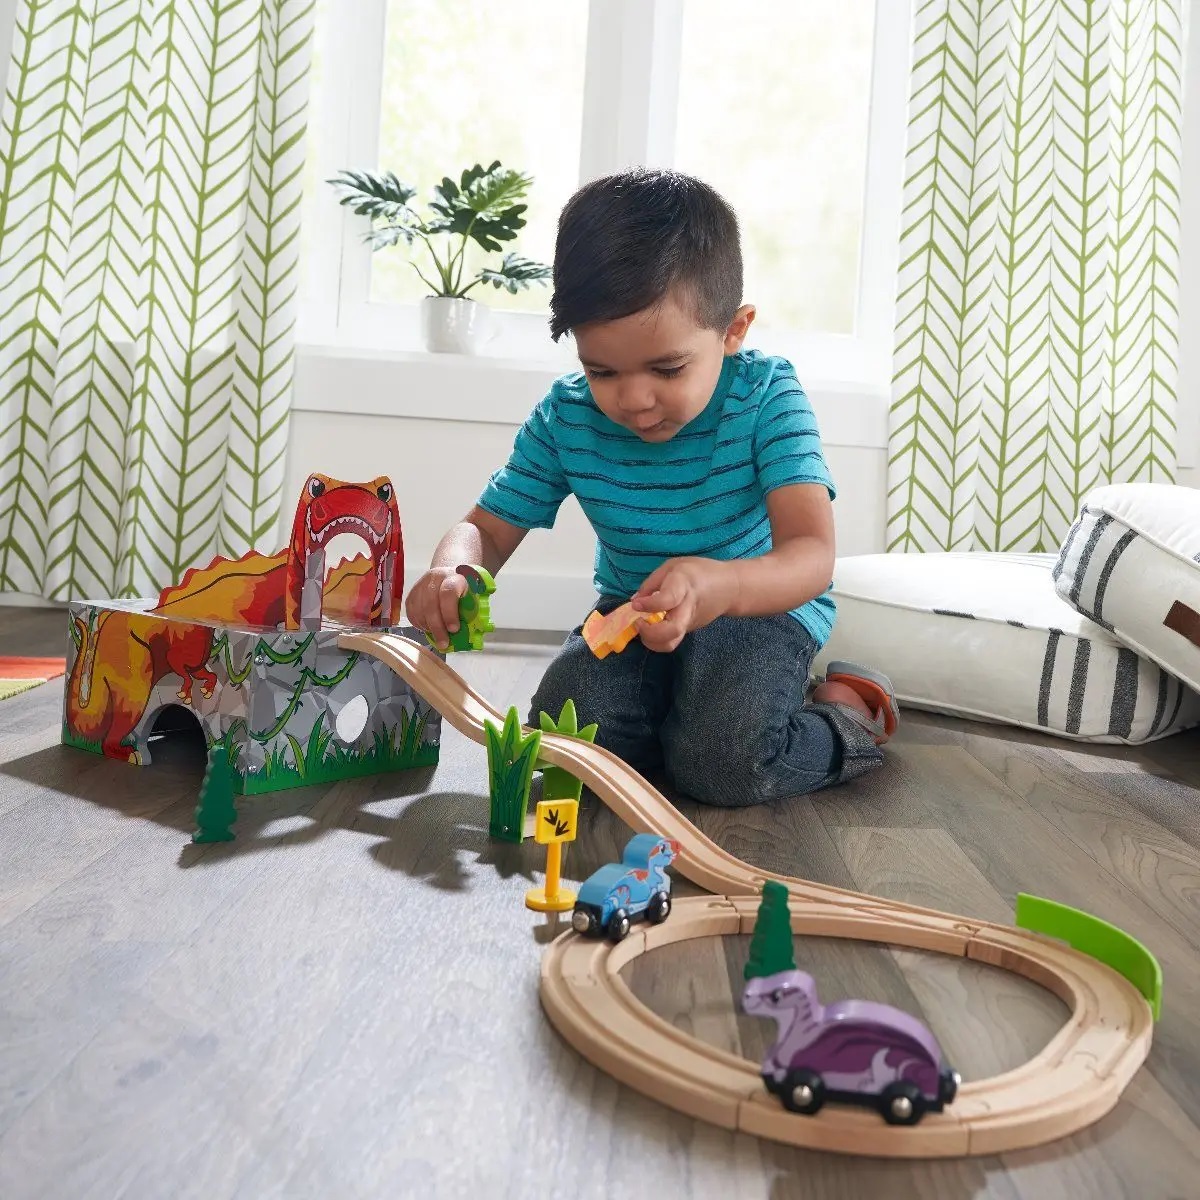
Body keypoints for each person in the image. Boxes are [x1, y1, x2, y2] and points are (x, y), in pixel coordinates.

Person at [405, 168, 895, 807]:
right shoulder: (567, 416)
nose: (634, 400)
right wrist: (454, 569)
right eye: (602, 371)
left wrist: (721, 586)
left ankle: (845, 715)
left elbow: (811, 555)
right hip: (631, 613)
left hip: (758, 612)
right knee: (565, 738)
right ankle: (681, 723)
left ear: (734, 330)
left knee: (723, 766)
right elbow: (487, 530)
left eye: (667, 369)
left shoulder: (768, 396)